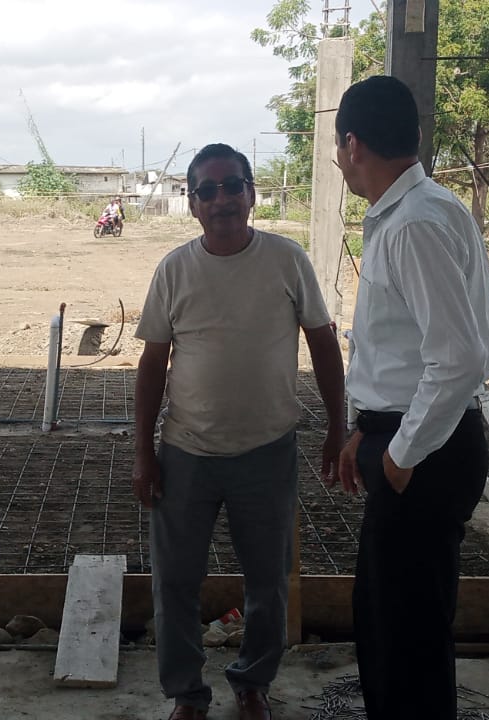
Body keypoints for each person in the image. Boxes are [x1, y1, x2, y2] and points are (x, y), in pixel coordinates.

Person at [133, 143, 347, 720]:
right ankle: (187, 694)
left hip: (267, 451)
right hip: (186, 452)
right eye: (207, 190)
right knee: (175, 582)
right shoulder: (174, 269)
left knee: (268, 581)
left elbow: (322, 342)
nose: (221, 199)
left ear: (252, 194)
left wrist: (338, 425)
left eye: (232, 186)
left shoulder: (286, 260)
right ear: (193, 203)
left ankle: (254, 683)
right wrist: (144, 453)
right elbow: (152, 364)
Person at [332, 76, 489, 718]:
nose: (338, 158)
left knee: (407, 636)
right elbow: (402, 348)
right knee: (390, 619)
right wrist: (365, 427)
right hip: (412, 434)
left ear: (353, 144)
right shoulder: (420, 211)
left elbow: (458, 358)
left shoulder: (414, 224)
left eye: (337, 147)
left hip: (427, 449)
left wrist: (400, 454)